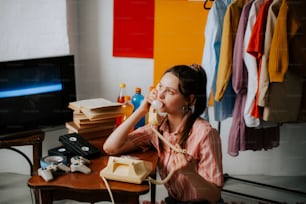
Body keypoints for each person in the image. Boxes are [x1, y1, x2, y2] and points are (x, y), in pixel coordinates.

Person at [103, 64, 224, 204]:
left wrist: (190, 174)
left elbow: (214, 195)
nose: (160, 95)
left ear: (189, 99)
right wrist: (141, 110)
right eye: (160, 87)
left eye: (170, 92)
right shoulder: (157, 129)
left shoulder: (205, 133)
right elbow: (110, 147)